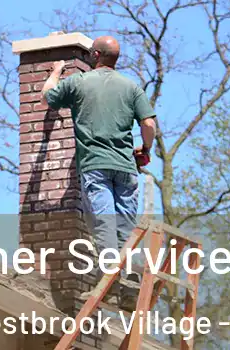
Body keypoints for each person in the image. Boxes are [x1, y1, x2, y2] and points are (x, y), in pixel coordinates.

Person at [40, 35, 157, 311]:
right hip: (126, 168)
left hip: (96, 166)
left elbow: (47, 98)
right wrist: (145, 149)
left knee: (105, 223)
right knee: (125, 228)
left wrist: (56, 71)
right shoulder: (131, 87)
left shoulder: (79, 82)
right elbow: (149, 124)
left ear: (95, 55)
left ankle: (110, 284)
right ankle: (128, 286)